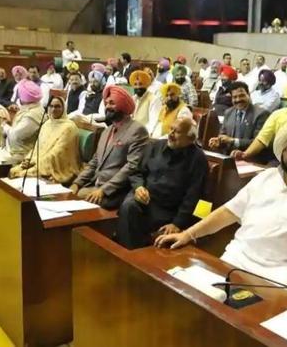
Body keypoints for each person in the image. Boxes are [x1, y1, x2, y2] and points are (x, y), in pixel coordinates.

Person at [156, 122, 287, 316]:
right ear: (280, 152)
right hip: (239, 259)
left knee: (252, 323)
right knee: (191, 302)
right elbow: (228, 212)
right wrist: (188, 234)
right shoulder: (265, 177)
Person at [118, 117, 208, 249]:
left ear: (190, 138)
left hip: (167, 209)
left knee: (138, 220)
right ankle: (125, 254)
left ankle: (135, 256)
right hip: (143, 197)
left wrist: (177, 223)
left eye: (176, 132)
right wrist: (138, 187)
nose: (171, 134)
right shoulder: (155, 146)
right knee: (128, 206)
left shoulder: (198, 159)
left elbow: (194, 195)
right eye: (171, 129)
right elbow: (136, 172)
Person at [70, 85, 149, 209]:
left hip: (115, 191)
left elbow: (131, 166)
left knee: (79, 200)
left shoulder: (137, 130)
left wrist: (103, 190)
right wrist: (76, 183)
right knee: (71, 194)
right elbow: (94, 162)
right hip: (94, 184)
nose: (107, 107)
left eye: (112, 103)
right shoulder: (107, 131)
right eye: (106, 103)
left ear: (123, 105)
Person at [9, 96, 81, 183]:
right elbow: (36, 148)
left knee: (22, 174)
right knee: (13, 171)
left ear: (64, 108)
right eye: (51, 106)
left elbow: (57, 154)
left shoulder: (69, 127)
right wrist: (28, 159)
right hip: (37, 161)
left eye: (57, 106)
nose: (54, 109)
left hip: (53, 165)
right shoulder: (46, 124)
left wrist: (33, 162)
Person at [209, 81, 271, 162]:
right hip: (229, 159)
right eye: (234, 97)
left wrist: (233, 141)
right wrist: (219, 142)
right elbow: (223, 135)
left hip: (251, 160)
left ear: (248, 95)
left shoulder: (261, 114)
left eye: (241, 96)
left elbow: (259, 142)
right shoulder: (228, 112)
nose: (238, 100)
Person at [0, 80, 45, 161]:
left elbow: (15, 135)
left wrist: (4, 125)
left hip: (24, 156)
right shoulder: (30, 107)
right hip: (15, 152)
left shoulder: (32, 115)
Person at [130, 70, 161, 134]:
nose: (138, 87)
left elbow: (153, 123)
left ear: (146, 85)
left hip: (144, 134)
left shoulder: (154, 99)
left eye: (141, 84)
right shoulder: (133, 98)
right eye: (135, 84)